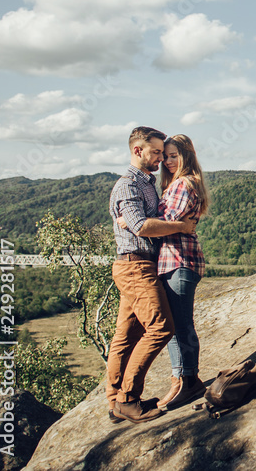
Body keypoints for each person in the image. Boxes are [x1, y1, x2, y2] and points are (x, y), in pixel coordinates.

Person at [107, 126, 196, 423]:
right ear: (137, 151)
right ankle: (128, 398)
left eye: (164, 153)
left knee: (127, 334)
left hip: (141, 263)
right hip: (136, 265)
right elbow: (142, 226)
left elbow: (139, 222)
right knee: (161, 327)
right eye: (156, 152)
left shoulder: (147, 183)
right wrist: (182, 227)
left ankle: (115, 400)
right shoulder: (128, 185)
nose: (161, 158)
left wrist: (136, 222)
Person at [152, 134, 209, 409]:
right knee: (174, 325)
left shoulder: (184, 184)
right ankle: (179, 380)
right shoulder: (173, 184)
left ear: (186, 155)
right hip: (172, 260)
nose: (168, 161)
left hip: (181, 260)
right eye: (165, 156)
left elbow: (167, 222)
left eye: (174, 155)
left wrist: (133, 222)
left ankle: (189, 381)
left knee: (181, 324)